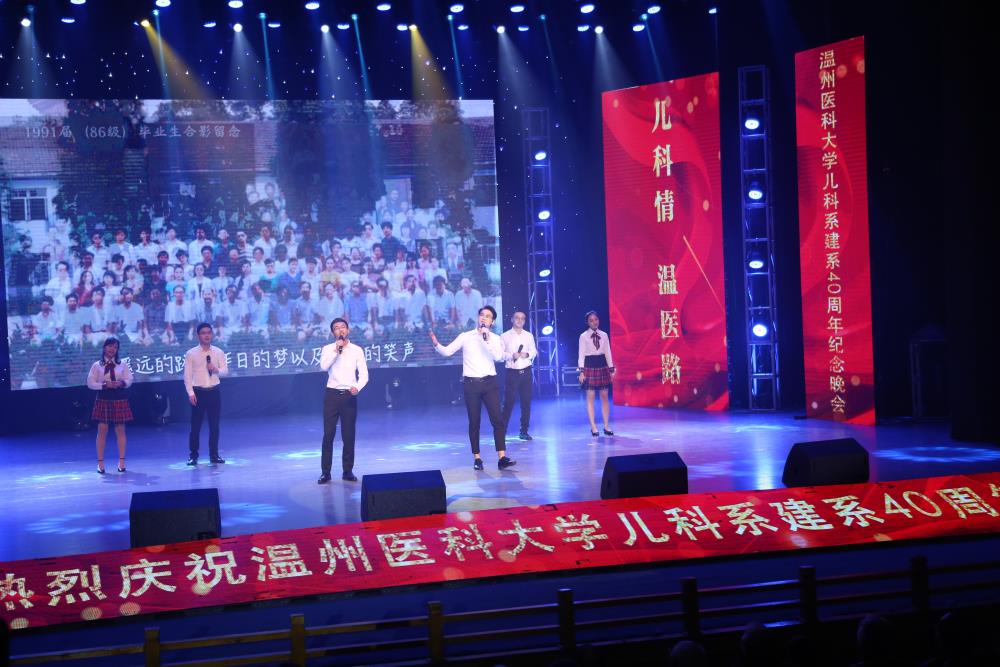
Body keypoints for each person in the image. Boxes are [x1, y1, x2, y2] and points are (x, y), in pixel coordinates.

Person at [431, 305, 515, 471]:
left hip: (490, 383)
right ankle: (477, 458)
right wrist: (436, 344)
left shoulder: (495, 338)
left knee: (498, 420)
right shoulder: (466, 336)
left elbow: (498, 356)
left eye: (488, 316)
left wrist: (486, 338)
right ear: (478, 317)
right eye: (482, 315)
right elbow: (447, 352)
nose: (484, 318)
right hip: (471, 384)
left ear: (492, 322)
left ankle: (502, 457)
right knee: (474, 422)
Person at [317, 317, 369, 484]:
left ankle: (347, 471)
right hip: (331, 395)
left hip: (348, 395)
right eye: (336, 328)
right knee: (328, 435)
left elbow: (364, 375)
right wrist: (336, 350)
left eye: (343, 327)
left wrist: (357, 387)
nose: (340, 330)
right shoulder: (328, 349)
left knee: (348, 435)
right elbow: (323, 366)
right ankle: (326, 472)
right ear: (333, 333)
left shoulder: (357, 350)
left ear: (348, 330)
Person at [86, 337, 133, 474]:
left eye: (115, 347)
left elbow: (129, 379)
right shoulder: (97, 365)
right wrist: (104, 385)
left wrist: (121, 383)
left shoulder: (122, 364)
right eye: (110, 346)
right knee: (102, 429)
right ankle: (100, 463)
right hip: (104, 398)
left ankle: (122, 462)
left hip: (119, 398)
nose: (112, 349)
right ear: (104, 347)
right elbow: (90, 383)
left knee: (120, 429)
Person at [184, 323, 229, 465]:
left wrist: (215, 369)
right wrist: (190, 393)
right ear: (198, 335)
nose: (207, 335)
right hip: (198, 392)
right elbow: (187, 376)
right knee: (195, 426)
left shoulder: (218, 352)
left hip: (214, 392)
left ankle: (214, 455)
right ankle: (193, 456)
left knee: (214, 426)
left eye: (209, 332)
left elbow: (225, 371)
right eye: (203, 333)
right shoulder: (191, 353)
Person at [501, 310, 537, 440]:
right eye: (517, 318)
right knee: (508, 403)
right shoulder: (504, 336)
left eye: (522, 318)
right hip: (512, 373)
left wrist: (527, 354)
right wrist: (511, 355)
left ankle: (524, 431)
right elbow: (500, 355)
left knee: (526, 403)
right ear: (512, 319)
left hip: (526, 372)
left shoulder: (529, 335)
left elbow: (534, 351)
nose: (520, 320)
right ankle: (502, 431)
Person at [578, 311, 615, 436]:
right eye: (591, 320)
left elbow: (608, 352)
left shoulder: (604, 335)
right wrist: (581, 371)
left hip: (602, 366)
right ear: (587, 323)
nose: (594, 322)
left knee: (604, 396)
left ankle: (606, 426)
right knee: (591, 397)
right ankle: (593, 427)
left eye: (596, 319)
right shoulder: (583, 336)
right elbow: (581, 355)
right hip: (589, 367)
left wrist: (611, 369)